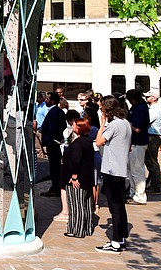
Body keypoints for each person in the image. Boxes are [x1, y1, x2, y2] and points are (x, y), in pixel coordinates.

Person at [95, 95, 132, 253]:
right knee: (120, 206)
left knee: (115, 207)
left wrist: (102, 122)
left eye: (102, 108)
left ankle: (116, 242)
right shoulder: (126, 123)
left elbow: (98, 142)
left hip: (112, 170)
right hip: (120, 169)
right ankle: (121, 238)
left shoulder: (114, 124)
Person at [62, 118, 95, 238]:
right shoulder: (88, 141)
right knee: (85, 204)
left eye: (75, 125)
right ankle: (87, 228)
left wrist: (74, 177)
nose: (73, 126)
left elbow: (76, 160)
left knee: (76, 205)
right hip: (87, 178)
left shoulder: (78, 143)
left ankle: (77, 230)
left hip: (78, 179)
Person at [125, 89, 149, 205]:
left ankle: (140, 196)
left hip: (138, 142)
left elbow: (138, 129)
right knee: (131, 170)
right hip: (133, 142)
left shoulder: (140, 108)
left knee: (137, 170)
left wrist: (126, 123)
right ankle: (133, 192)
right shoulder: (137, 107)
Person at [41, 91, 66, 197]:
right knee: (55, 166)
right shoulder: (55, 111)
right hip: (53, 142)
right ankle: (56, 187)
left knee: (55, 167)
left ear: (52, 100)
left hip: (54, 144)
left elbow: (54, 128)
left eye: (47, 99)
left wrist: (51, 141)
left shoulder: (55, 112)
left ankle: (56, 188)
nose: (45, 100)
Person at [145, 91, 161, 194]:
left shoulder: (155, 109)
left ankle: (155, 185)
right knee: (149, 161)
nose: (146, 98)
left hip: (153, 136)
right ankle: (151, 183)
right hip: (150, 136)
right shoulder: (151, 108)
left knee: (152, 161)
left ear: (154, 98)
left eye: (148, 96)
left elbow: (146, 121)